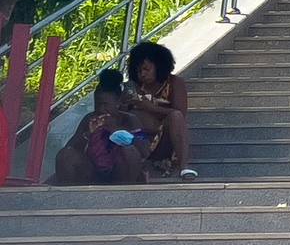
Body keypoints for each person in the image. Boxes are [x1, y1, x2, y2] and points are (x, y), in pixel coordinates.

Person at [52, 70, 147, 185]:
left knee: (128, 149)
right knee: (65, 155)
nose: (101, 109)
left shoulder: (130, 119)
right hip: (94, 171)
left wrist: (116, 130)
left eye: (105, 104)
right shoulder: (90, 119)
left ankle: (124, 192)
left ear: (117, 102)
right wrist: (88, 135)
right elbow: (70, 148)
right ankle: (66, 196)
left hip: (121, 172)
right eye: (98, 104)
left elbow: (144, 149)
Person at [124, 40, 196, 180]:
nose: (142, 74)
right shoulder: (132, 87)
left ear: (159, 66)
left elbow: (180, 113)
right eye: (138, 71)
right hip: (139, 139)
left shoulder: (175, 83)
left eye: (146, 69)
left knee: (175, 116)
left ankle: (184, 166)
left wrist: (150, 108)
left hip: (165, 140)